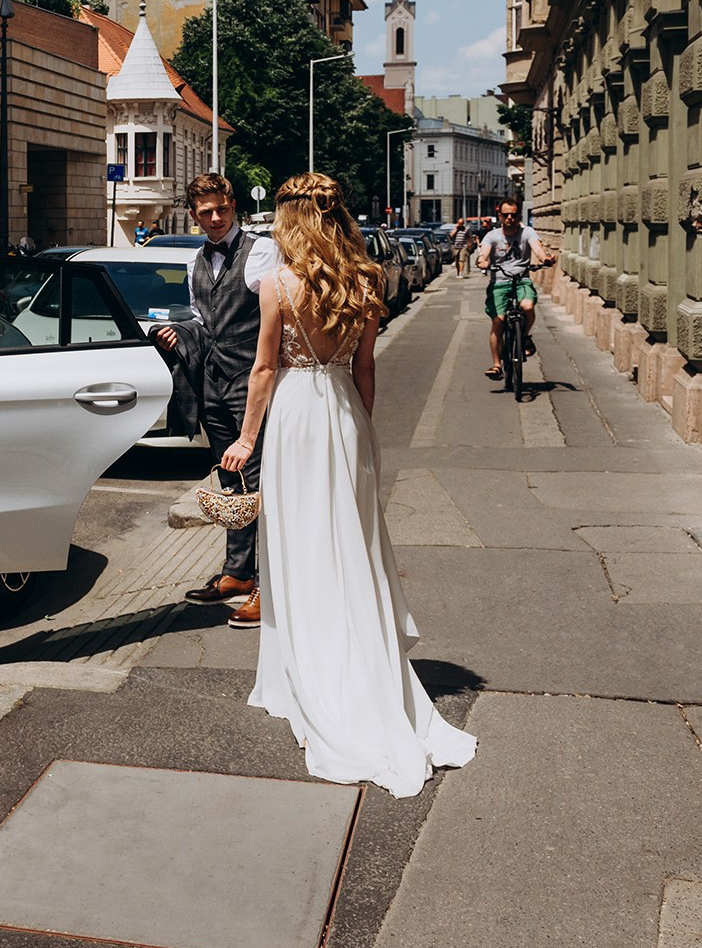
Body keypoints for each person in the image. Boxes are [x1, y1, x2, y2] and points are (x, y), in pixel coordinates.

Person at [223, 172, 476, 797]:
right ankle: (360, 660)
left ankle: (303, 673)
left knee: (299, 546)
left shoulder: (278, 285)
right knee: (352, 543)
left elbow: (263, 369)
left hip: (296, 419)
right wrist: (364, 431)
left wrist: (246, 441)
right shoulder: (364, 281)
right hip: (343, 416)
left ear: (293, 220)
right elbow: (365, 370)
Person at [156, 173, 277, 627]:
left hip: (252, 383)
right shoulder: (194, 263)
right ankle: (237, 573)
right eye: (204, 211)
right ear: (193, 214)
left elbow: (276, 317)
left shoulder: (261, 251)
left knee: (262, 488)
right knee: (231, 486)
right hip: (214, 383)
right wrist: (179, 333)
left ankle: (270, 587)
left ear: (234, 207)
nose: (214, 218)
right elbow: (202, 323)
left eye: (221, 209)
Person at [476, 202, 548, 379]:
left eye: (514, 215)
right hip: (499, 283)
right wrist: (482, 261)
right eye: (506, 215)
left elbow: (538, 249)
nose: (510, 218)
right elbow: (483, 253)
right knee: (498, 321)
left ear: (519, 217)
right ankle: (496, 364)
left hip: (521, 280)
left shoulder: (527, 233)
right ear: (500, 216)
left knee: (528, 306)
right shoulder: (492, 236)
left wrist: (545, 258)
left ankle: (524, 336)